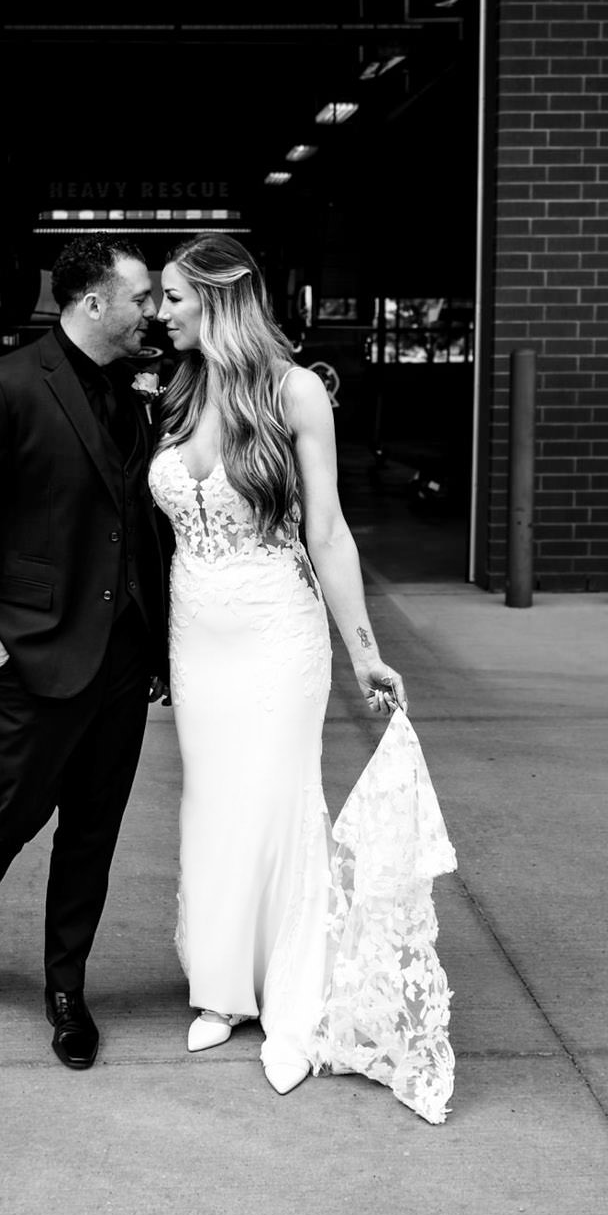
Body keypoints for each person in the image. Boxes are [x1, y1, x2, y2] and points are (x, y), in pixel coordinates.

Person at [150, 231, 456, 1122]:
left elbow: (327, 532)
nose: (160, 312)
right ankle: (221, 987)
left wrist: (365, 649)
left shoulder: (296, 393)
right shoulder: (179, 392)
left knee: (281, 798)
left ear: (218, 297)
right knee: (212, 801)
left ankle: (290, 994)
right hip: (195, 632)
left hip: (280, 633)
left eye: (173, 296)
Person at [0, 234, 170, 1071]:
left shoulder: (143, 391)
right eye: (141, 299)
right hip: (33, 651)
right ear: (94, 303)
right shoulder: (2, 388)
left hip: (125, 653)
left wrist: (161, 638)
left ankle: (67, 989)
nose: (153, 313)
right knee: (10, 814)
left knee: (94, 831)